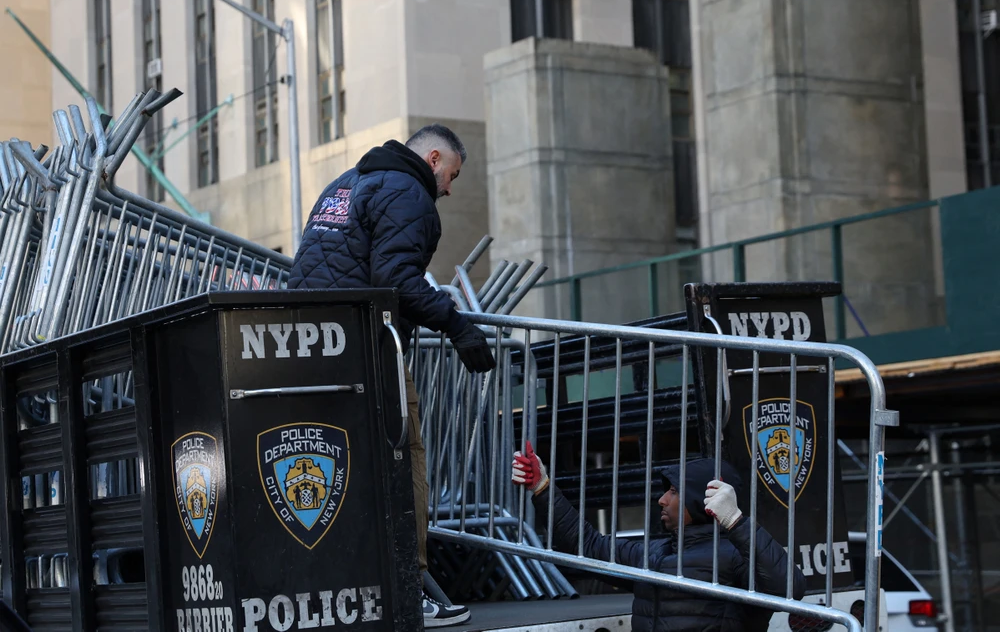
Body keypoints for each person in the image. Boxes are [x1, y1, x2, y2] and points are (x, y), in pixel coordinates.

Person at [290, 124, 496, 628]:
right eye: (452, 174)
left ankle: (347, 589)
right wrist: (458, 326)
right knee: (405, 456)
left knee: (342, 468)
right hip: (365, 344)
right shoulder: (409, 192)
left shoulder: (343, 184)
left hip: (305, 346)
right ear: (432, 159)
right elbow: (396, 279)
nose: (449, 188)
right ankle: (408, 588)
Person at [512, 443, 806, 631]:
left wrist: (735, 521)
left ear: (699, 499)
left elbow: (790, 590)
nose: (662, 500)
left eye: (674, 491)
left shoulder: (734, 556)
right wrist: (542, 488)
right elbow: (588, 546)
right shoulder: (652, 553)